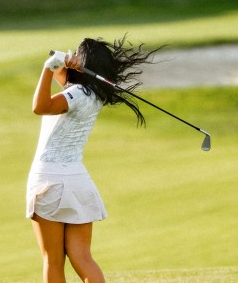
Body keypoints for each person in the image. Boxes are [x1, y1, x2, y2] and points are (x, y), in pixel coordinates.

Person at [26, 37, 156, 283]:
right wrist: (61, 64)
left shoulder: (75, 94)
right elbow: (64, 79)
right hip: (78, 183)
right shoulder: (94, 95)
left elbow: (40, 106)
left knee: (53, 260)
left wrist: (47, 68)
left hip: (49, 181)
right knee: (83, 258)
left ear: (85, 64)